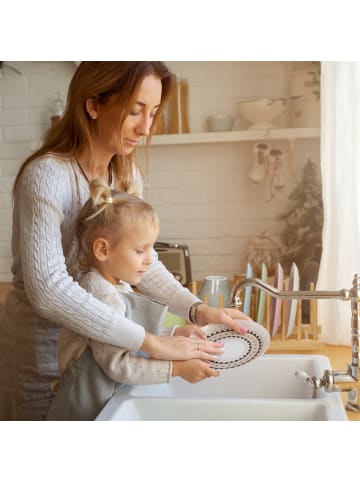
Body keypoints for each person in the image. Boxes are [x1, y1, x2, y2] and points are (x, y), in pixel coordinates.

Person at [0, 61, 249, 421]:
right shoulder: (46, 176)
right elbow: (49, 289)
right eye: (135, 111)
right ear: (93, 104)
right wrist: (151, 342)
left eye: (153, 112)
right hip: (39, 363)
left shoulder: (125, 173)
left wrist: (195, 309)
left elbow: (139, 260)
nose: (146, 128)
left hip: (101, 355)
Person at [47, 179, 221, 420]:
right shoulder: (101, 295)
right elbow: (120, 365)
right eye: (141, 251)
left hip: (107, 401)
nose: (150, 260)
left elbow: (132, 336)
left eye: (151, 249)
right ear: (103, 250)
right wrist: (178, 369)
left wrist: (175, 333)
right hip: (84, 410)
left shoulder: (118, 283)